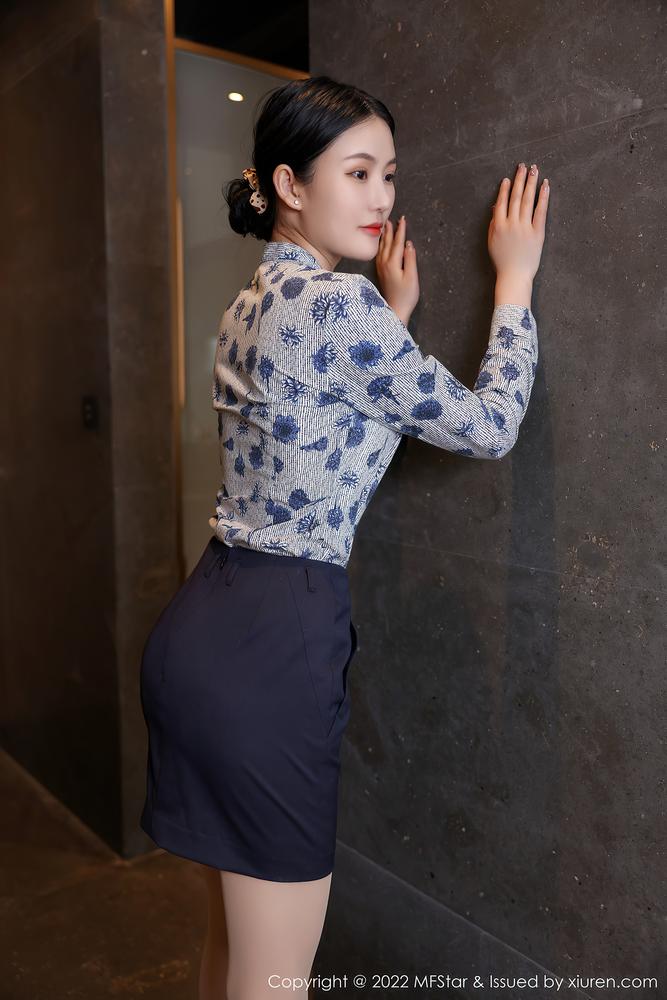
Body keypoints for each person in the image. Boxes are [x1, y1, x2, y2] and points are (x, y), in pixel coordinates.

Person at [138, 75, 549, 1000]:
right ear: (288, 184)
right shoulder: (337, 308)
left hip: (203, 628)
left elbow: (318, 427)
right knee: (275, 980)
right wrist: (514, 279)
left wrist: (392, 317)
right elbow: (489, 428)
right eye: (357, 172)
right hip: (275, 649)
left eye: (387, 174)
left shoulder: (248, 306)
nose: (381, 197)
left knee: (228, 954)